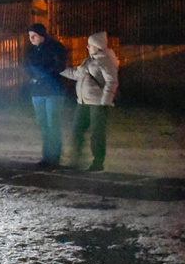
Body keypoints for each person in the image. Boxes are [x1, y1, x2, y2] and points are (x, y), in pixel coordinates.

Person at [61, 31, 119, 171]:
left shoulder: (105, 61)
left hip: (97, 103)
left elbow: (111, 82)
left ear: (97, 46)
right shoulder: (90, 60)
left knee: (97, 133)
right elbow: (78, 75)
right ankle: (75, 160)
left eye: (90, 45)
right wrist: (60, 71)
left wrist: (105, 102)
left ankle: (98, 163)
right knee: (77, 130)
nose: (87, 47)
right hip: (83, 102)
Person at [26, 22, 70, 168]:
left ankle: (55, 157)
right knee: (43, 124)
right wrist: (33, 77)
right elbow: (28, 67)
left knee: (53, 124)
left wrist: (42, 74)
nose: (31, 39)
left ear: (42, 35)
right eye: (30, 36)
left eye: (34, 36)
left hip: (53, 91)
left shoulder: (56, 47)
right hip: (37, 92)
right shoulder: (32, 50)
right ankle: (46, 156)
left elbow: (59, 66)